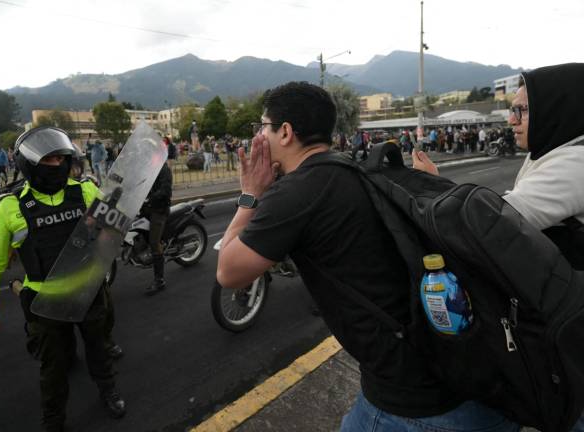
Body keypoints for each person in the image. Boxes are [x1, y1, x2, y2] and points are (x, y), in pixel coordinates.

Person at [216, 82, 522, 431]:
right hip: (460, 376)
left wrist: (250, 194)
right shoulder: (353, 170)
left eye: (263, 126)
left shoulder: (297, 191)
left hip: (412, 405)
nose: (259, 136)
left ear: (285, 132)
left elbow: (228, 271)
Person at [0, 127, 126, 432]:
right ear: (29, 163)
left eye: (60, 157)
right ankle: (53, 419)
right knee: (53, 366)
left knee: (99, 347)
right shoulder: (10, 207)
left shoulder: (84, 191)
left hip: (88, 291)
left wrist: (113, 219)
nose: (56, 164)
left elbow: (114, 231)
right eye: (48, 159)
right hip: (44, 303)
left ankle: (108, 390)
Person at [414, 63, 584, 272]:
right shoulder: (548, 151)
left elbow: (491, 224)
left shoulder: (576, 163)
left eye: (523, 110)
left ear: (557, 109)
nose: (512, 120)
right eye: (513, 110)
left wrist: (431, 187)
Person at [142, 162, 173, 295]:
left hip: (159, 208)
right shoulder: (147, 167)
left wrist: (150, 198)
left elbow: (165, 190)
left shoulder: (164, 169)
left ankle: (159, 280)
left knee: (154, 242)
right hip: (148, 206)